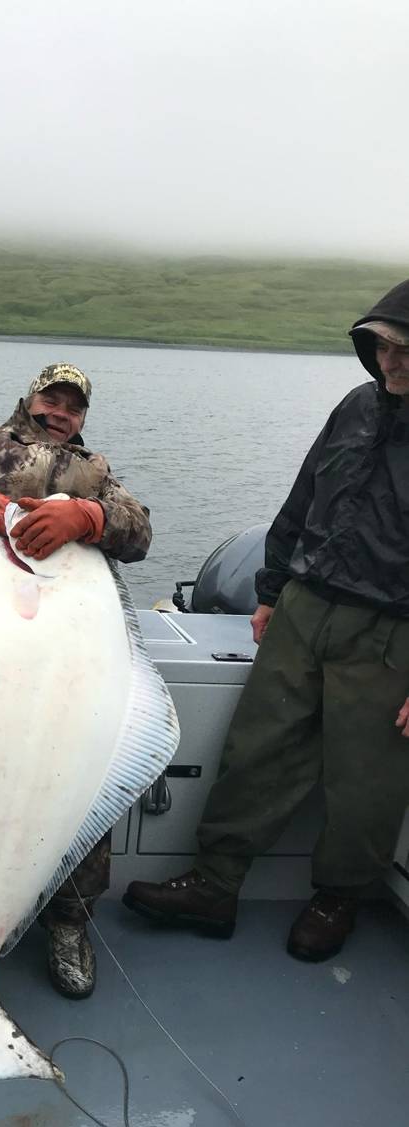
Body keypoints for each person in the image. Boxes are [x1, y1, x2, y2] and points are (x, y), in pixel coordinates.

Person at [123, 280, 409, 962]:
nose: (393, 363)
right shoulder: (356, 408)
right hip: (306, 605)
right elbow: (304, 496)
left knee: (365, 778)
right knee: (257, 750)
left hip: (392, 631)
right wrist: (273, 588)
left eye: (406, 351)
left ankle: (337, 896)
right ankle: (215, 885)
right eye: (383, 348)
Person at [0, 363, 152, 998]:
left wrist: (89, 520)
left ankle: (69, 922)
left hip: (65, 654)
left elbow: (140, 530)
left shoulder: (96, 473)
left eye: (72, 404)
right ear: (30, 398)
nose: (59, 410)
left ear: (82, 415)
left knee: (78, 783)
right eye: (51, 396)